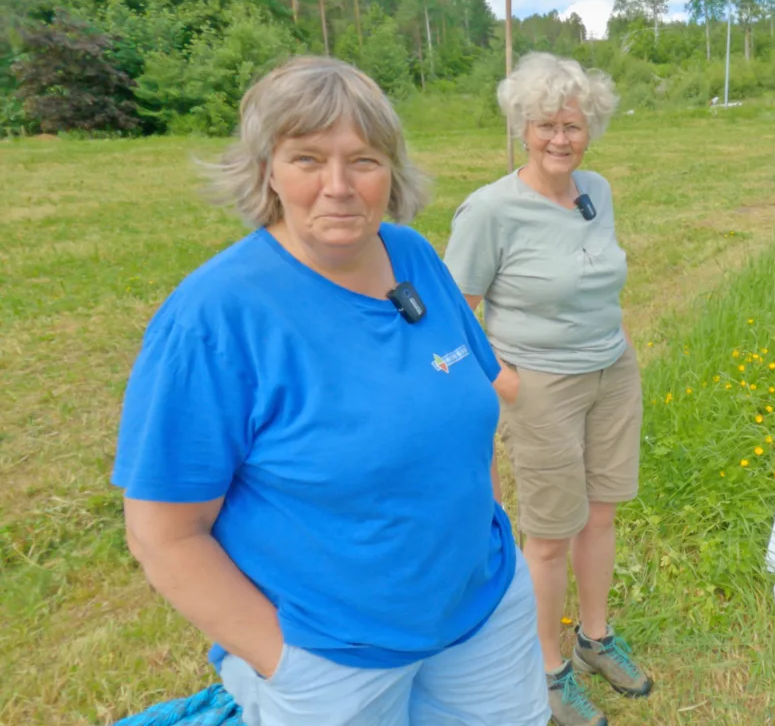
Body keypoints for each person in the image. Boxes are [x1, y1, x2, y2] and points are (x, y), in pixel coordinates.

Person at [112, 56, 549, 726]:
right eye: (308, 159)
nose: (339, 186)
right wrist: (286, 662)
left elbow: (464, 408)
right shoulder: (215, 318)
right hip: (333, 658)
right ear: (267, 169)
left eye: (364, 160)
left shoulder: (414, 257)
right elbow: (163, 533)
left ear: (392, 171)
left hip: (481, 610)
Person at [443, 52, 651, 726]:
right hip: (541, 389)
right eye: (546, 125)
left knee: (601, 513)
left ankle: (595, 640)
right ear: (521, 127)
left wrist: (612, 344)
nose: (561, 138)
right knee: (550, 536)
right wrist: (505, 381)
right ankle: (547, 671)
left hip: (611, 373)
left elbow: (599, 275)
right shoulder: (490, 211)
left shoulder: (597, 189)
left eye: (574, 124)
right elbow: (455, 316)